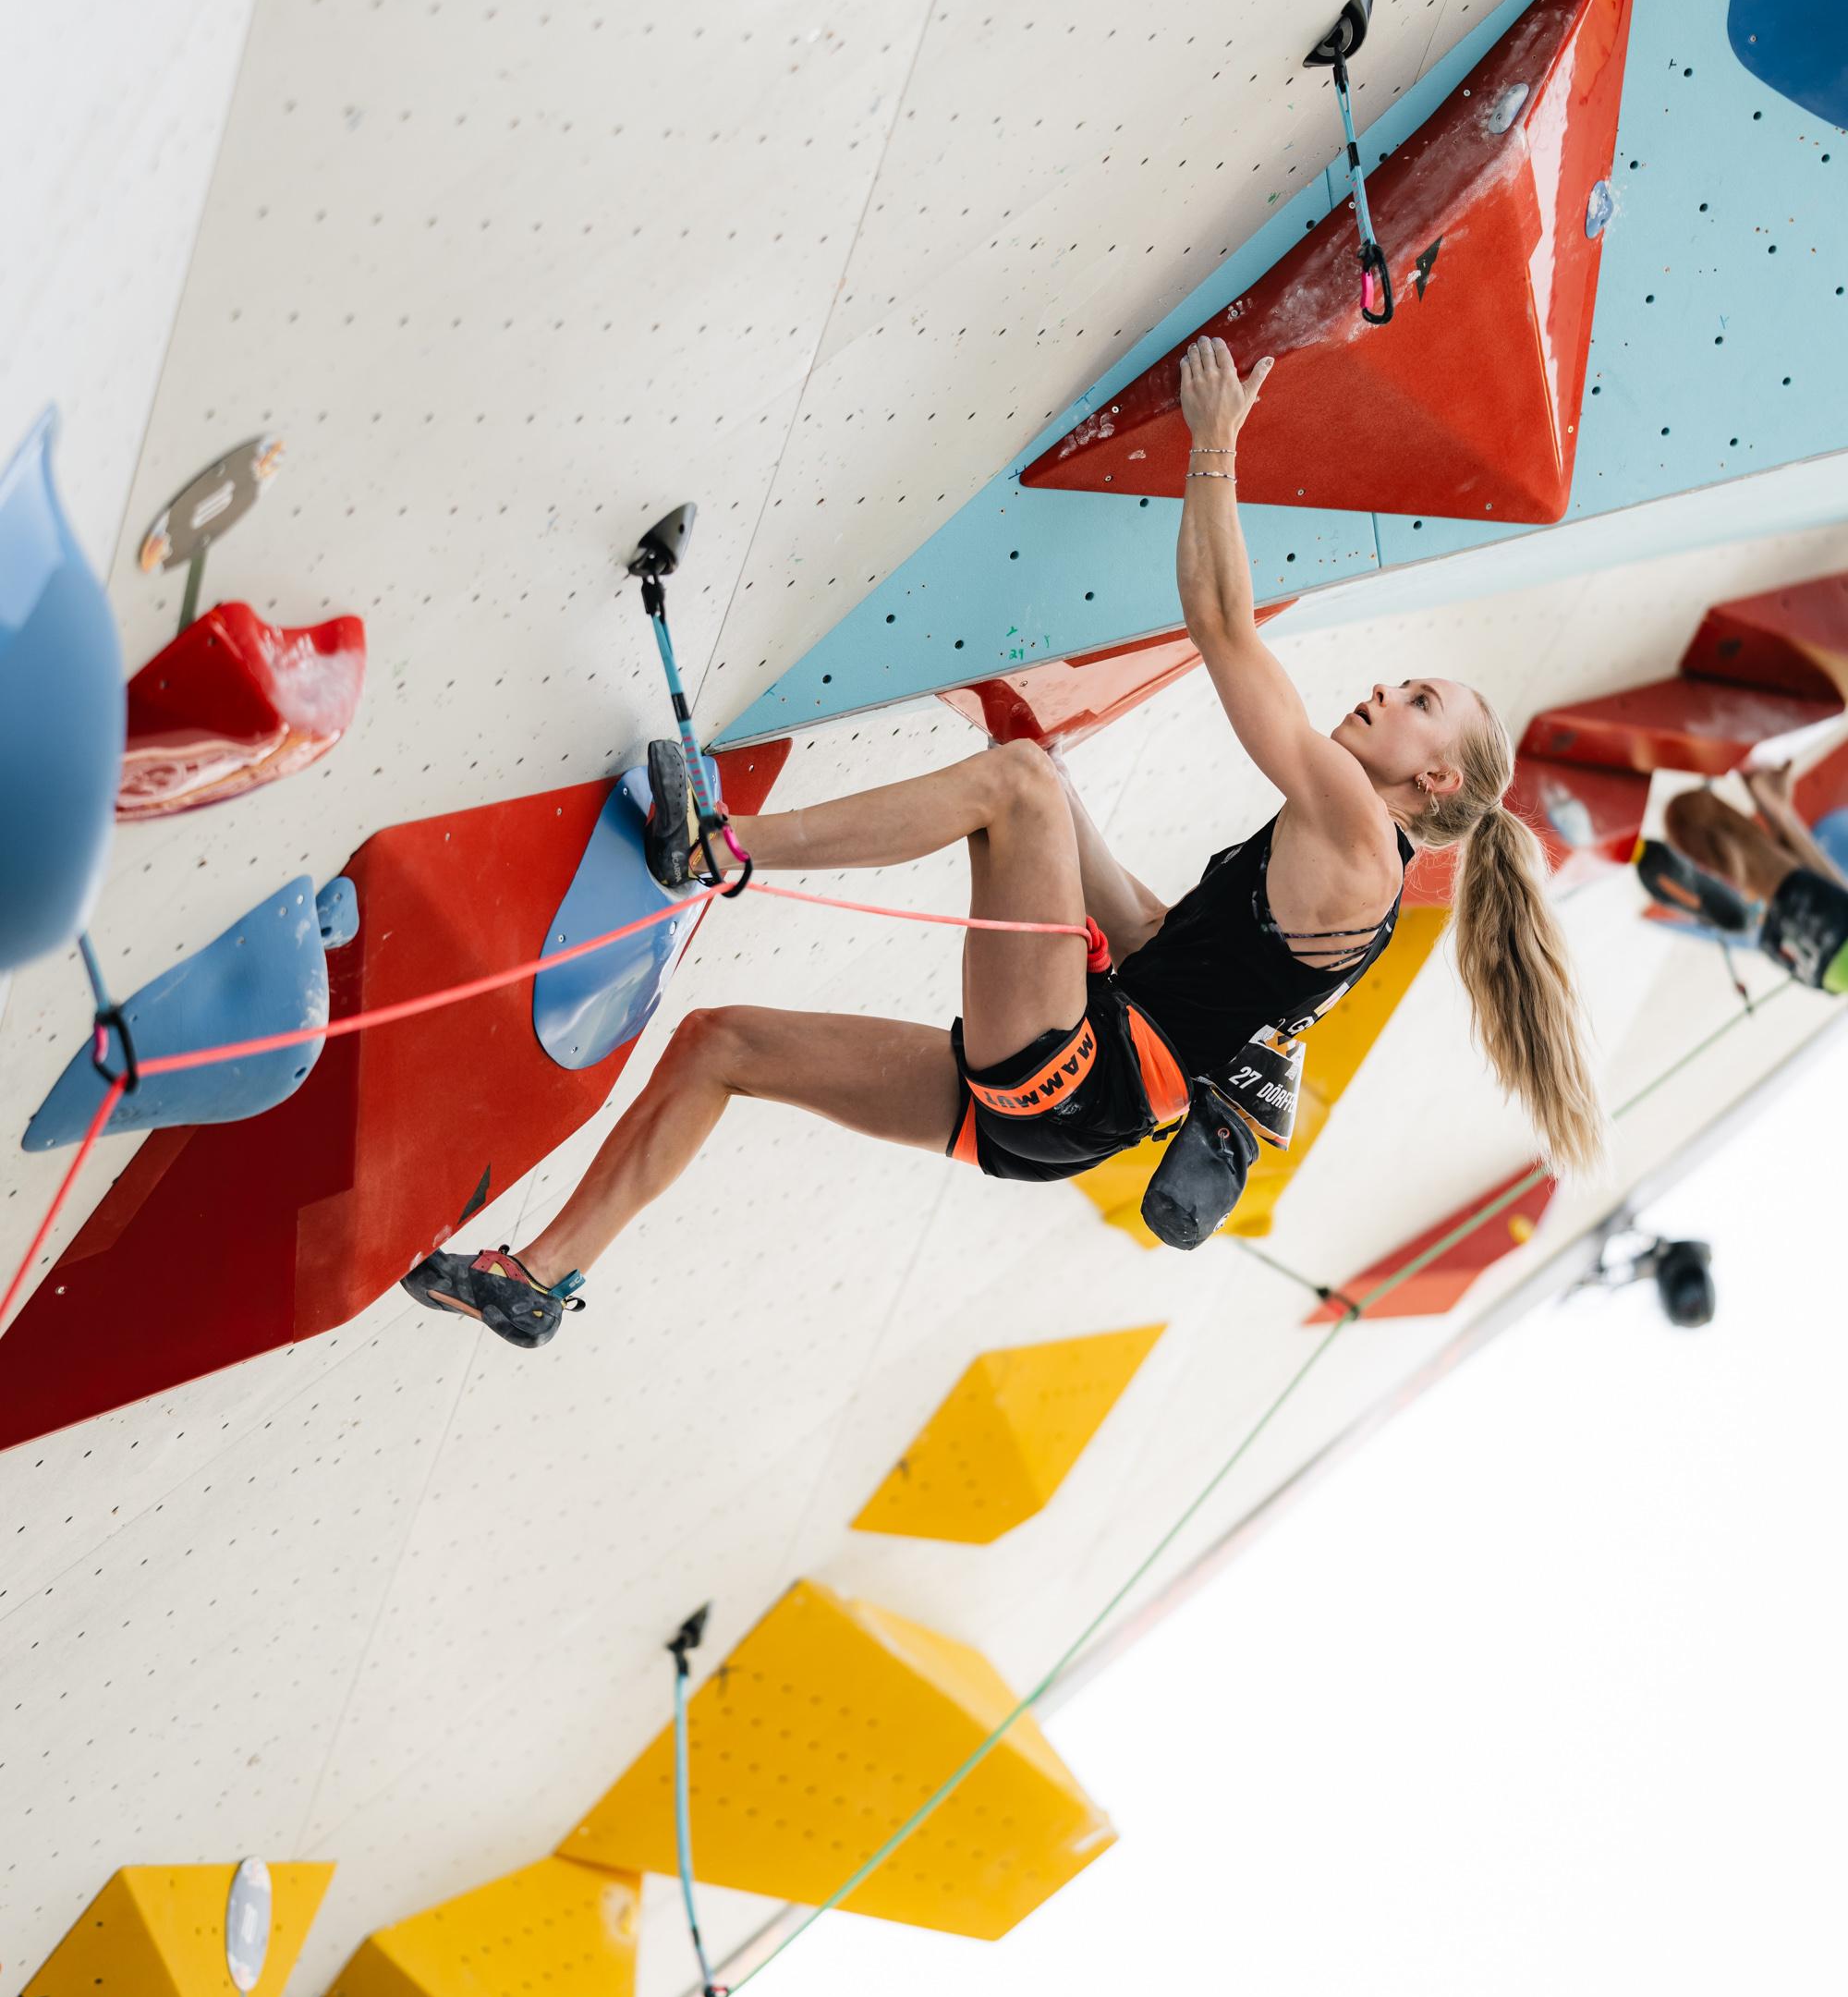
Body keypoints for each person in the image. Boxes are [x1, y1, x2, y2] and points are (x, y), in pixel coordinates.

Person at [404, 340, 1606, 1348]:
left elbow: (1224, 627)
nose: (1385, 690)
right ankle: (539, 1281)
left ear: (1434, 780)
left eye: (1417, 700)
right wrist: (1055, 802)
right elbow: (1149, 936)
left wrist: (1214, 445)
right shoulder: (1342, 876)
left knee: (1019, 786)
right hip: (1057, 1113)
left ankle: (719, 848)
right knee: (723, 1044)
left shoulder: (1356, 830)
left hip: (1075, 1076)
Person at [1638, 752, 1848, 995]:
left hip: (1831, 949)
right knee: (1813, 890)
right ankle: (1775, 807)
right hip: (1822, 969)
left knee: (1783, 881)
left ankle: (1769, 810)